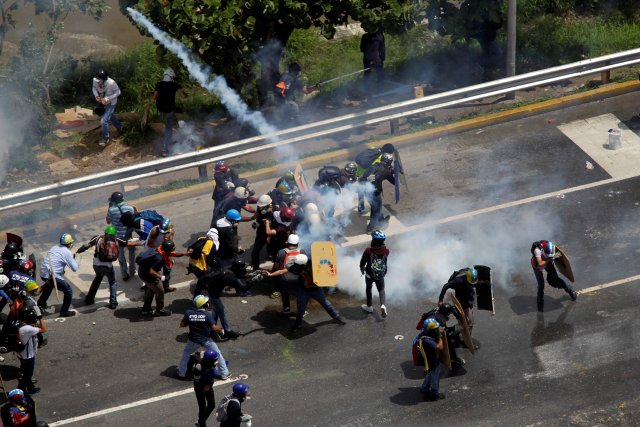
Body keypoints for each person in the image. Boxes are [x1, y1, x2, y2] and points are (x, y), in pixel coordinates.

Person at [269, 254, 346, 332]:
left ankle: (337, 318)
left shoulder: (315, 264)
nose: (296, 266)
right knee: (300, 311)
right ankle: (297, 325)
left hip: (316, 289)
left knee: (327, 305)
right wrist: (270, 274)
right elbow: (282, 271)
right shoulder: (296, 266)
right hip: (304, 291)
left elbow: (326, 266)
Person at [76, 225, 140, 309]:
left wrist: (77, 252)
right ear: (114, 233)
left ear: (105, 232)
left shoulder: (97, 238)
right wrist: (142, 242)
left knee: (97, 280)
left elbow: (86, 246)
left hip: (96, 265)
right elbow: (128, 243)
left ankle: (89, 299)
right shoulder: (116, 239)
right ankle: (113, 302)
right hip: (108, 266)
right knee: (112, 282)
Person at [196, 261, 253, 340]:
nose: (243, 270)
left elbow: (207, 276)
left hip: (210, 291)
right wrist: (253, 281)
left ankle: (211, 329)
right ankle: (227, 332)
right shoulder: (229, 277)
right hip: (214, 296)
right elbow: (243, 288)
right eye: (242, 268)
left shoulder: (226, 268)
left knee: (216, 312)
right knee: (222, 313)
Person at [177, 295, 230, 380]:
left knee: (186, 354)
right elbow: (214, 327)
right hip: (206, 340)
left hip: (193, 339)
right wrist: (221, 329)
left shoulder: (188, 313)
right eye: (207, 302)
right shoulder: (207, 314)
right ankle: (224, 373)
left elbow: (182, 324)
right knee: (218, 355)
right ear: (204, 305)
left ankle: (181, 372)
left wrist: (191, 321)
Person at [37, 233, 78, 317]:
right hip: (52, 276)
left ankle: (40, 304)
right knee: (68, 291)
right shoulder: (67, 252)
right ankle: (64, 312)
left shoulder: (54, 247)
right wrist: (73, 258)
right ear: (69, 244)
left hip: (43, 273)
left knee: (49, 286)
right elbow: (75, 268)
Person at [531, 240, 577, 312]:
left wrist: (553, 258)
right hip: (537, 266)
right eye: (548, 255)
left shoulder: (552, 249)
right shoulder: (537, 250)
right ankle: (540, 302)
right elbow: (540, 264)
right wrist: (550, 259)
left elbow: (560, 258)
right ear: (544, 250)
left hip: (548, 263)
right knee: (541, 285)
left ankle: (570, 291)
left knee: (556, 279)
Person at [152, 68, 186, 157]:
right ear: (172, 77)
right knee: (168, 130)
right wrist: (183, 92)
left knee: (168, 125)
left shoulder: (159, 84)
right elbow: (182, 96)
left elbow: (154, 97)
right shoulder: (175, 84)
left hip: (160, 110)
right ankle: (164, 149)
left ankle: (170, 140)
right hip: (169, 111)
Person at [354, 143, 395, 212]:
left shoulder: (374, 149)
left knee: (361, 189)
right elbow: (380, 170)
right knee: (372, 195)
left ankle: (360, 206)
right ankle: (375, 213)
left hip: (359, 171)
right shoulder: (380, 158)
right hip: (366, 175)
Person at [360, 152, 395, 232]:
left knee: (374, 207)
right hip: (375, 193)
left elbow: (364, 176)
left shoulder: (373, 166)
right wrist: (396, 173)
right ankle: (370, 228)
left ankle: (382, 220)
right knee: (377, 211)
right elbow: (394, 182)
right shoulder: (386, 171)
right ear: (389, 162)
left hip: (366, 191)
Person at [106, 191, 137, 281]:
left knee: (120, 254)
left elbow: (108, 221)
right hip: (128, 234)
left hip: (118, 236)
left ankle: (124, 274)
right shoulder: (130, 208)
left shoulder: (111, 210)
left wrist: (109, 207)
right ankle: (132, 270)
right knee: (131, 252)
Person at [437, 267, 478, 332]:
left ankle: (463, 328)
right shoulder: (459, 281)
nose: (472, 284)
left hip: (469, 298)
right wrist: (440, 300)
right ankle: (451, 331)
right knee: (466, 323)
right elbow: (445, 286)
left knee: (468, 321)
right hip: (463, 301)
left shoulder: (474, 276)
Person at [16, 306, 46, 394]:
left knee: (25, 369)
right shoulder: (28, 329)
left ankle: (26, 382)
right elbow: (44, 329)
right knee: (28, 373)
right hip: (28, 355)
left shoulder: (19, 324)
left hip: (20, 353)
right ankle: (27, 388)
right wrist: (41, 318)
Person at [359, 230, 390, 317]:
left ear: (373, 240)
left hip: (369, 274)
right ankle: (383, 305)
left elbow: (362, 263)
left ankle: (369, 306)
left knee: (369, 289)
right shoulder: (386, 251)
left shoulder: (368, 251)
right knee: (381, 290)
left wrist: (362, 269)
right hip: (380, 275)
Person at [270, 234, 303, 314]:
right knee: (300, 294)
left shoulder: (281, 252)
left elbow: (276, 267)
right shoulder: (302, 252)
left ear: (287, 242)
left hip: (285, 278)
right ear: (297, 243)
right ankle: (302, 309)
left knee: (284, 293)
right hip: (298, 279)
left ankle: (286, 308)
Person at [137, 242, 171, 316]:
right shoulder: (159, 259)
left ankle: (146, 309)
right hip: (148, 276)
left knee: (151, 290)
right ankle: (160, 310)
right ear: (167, 251)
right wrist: (162, 277)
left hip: (142, 272)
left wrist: (185, 253)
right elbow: (151, 271)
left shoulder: (156, 249)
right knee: (160, 291)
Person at [187, 349, 219, 427]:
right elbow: (197, 381)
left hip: (208, 384)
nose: (216, 362)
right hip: (200, 387)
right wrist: (203, 388)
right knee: (202, 408)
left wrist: (209, 384)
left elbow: (213, 373)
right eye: (214, 360)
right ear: (209, 360)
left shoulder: (211, 362)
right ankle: (202, 424)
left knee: (212, 405)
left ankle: (200, 421)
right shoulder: (199, 368)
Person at [415, 318, 445, 400]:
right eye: (435, 329)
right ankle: (435, 394)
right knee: (435, 378)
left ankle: (424, 388)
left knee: (430, 375)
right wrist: (440, 337)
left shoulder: (426, 335)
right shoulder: (426, 340)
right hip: (432, 361)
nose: (437, 330)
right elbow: (440, 347)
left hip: (430, 361)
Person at [92, 70, 123, 146]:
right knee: (110, 116)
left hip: (111, 102)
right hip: (102, 102)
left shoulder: (111, 83)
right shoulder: (95, 80)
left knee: (103, 121)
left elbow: (118, 92)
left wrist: (108, 98)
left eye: (100, 80)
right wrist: (96, 95)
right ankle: (120, 127)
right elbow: (94, 88)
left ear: (104, 79)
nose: (97, 82)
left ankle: (105, 138)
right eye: (97, 79)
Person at [250, 194, 275, 271]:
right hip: (260, 234)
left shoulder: (273, 213)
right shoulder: (259, 210)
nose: (260, 208)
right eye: (259, 206)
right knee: (254, 253)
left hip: (270, 236)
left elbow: (274, 228)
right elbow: (258, 220)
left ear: (268, 205)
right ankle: (255, 270)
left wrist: (269, 237)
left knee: (273, 253)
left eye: (262, 206)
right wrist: (256, 224)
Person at [360, 30, 386, 95]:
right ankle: (380, 91)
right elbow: (382, 49)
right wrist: (382, 58)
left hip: (367, 58)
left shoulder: (364, 36)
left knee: (367, 75)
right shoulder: (380, 36)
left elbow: (362, 49)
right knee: (380, 75)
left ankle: (367, 91)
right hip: (377, 58)